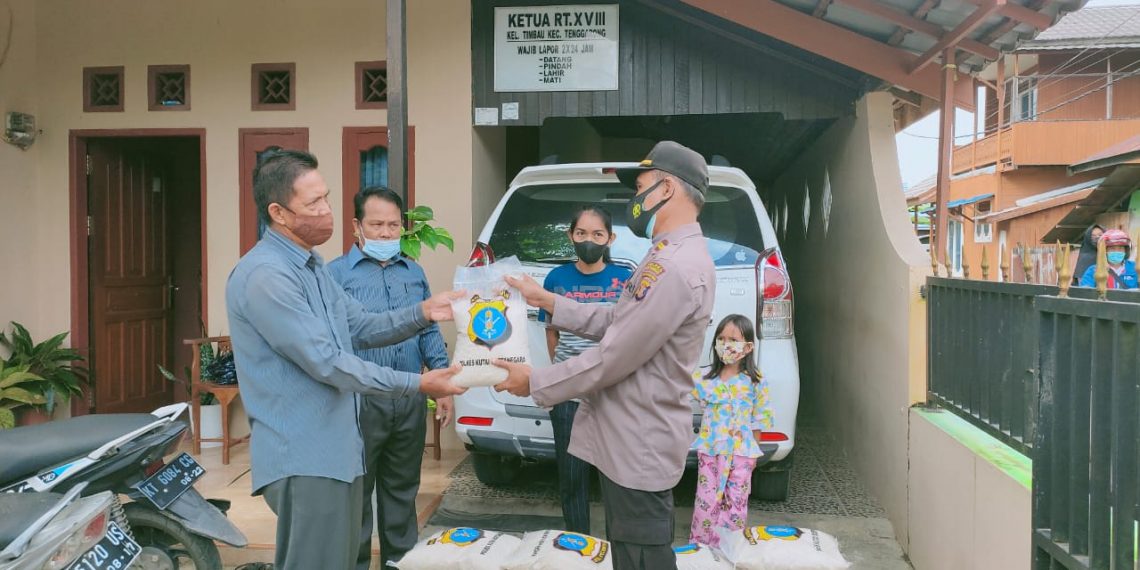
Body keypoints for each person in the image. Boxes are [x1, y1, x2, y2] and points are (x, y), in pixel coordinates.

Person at [225, 149, 466, 570]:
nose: (328, 212)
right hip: (305, 456)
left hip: (338, 451)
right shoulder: (267, 275)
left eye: (327, 198)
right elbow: (326, 362)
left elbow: (362, 327)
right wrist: (416, 384)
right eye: (314, 203)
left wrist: (425, 312)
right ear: (278, 212)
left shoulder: (312, 267)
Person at [494, 140, 716, 570]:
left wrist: (535, 382)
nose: (635, 197)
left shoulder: (675, 267)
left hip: (640, 443)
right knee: (628, 552)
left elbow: (613, 355)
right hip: (629, 438)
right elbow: (618, 319)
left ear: (667, 188)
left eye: (641, 185)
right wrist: (549, 300)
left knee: (642, 557)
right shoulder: (664, 255)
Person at [326, 186, 453, 570]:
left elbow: (429, 329)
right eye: (376, 224)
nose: (385, 233)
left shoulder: (414, 272)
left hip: (411, 398)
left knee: (402, 491)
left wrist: (442, 384)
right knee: (357, 495)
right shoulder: (334, 275)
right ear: (356, 227)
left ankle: (401, 563)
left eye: (393, 225)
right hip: (360, 401)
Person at [539, 205, 633, 535]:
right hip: (569, 390)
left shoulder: (625, 279)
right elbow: (551, 333)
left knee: (616, 477)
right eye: (581, 233)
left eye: (597, 234)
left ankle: (615, 549)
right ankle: (578, 547)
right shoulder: (556, 279)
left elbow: (630, 333)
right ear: (570, 236)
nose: (588, 240)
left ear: (610, 238)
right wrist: (562, 373)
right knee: (572, 476)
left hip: (612, 390)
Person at [689, 314, 773, 547]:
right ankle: (701, 549)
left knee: (734, 505)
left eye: (733, 339)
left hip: (741, 455)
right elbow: (674, 392)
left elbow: (759, 420)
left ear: (747, 347)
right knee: (706, 501)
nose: (726, 344)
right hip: (710, 451)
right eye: (721, 338)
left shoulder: (755, 381)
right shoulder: (703, 378)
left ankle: (729, 549)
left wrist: (754, 456)